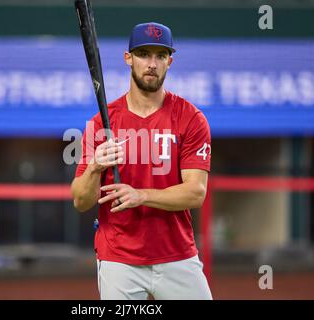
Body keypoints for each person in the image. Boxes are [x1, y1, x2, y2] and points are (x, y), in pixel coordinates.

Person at [71, 22, 212, 300]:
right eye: (144, 54)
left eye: (160, 56)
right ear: (128, 58)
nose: (152, 63)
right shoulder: (101, 123)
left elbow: (196, 192)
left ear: (170, 62)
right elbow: (80, 201)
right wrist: (95, 168)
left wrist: (141, 196)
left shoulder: (190, 118)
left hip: (176, 255)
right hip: (119, 259)